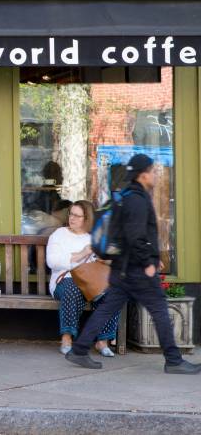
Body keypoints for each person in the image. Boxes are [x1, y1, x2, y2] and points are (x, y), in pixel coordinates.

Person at [67, 154, 201, 374]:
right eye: (153, 170)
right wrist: (149, 262)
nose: (156, 174)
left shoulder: (126, 195)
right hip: (136, 270)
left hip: (121, 269)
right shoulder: (137, 200)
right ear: (143, 174)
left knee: (107, 309)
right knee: (159, 309)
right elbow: (136, 236)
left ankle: (79, 350)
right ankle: (174, 360)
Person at [46, 201, 120, 357]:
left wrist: (104, 258)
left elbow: (109, 260)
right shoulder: (59, 234)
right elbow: (52, 262)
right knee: (73, 287)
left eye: (77, 216)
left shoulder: (95, 237)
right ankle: (67, 338)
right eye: (71, 214)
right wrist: (82, 254)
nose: (72, 218)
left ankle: (102, 341)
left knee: (113, 293)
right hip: (64, 279)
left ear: (87, 219)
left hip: (91, 282)